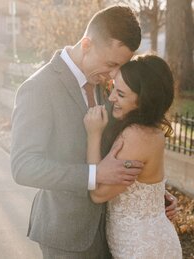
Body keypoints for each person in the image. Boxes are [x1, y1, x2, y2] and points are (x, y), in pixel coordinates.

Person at [11, 5, 177, 259]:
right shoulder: (38, 88)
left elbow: (123, 148)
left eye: (118, 67)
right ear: (87, 44)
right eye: (111, 64)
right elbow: (24, 166)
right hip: (67, 235)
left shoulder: (104, 83)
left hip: (114, 234)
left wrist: (153, 196)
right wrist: (94, 174)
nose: (113, 75)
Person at [84, 54, 182, 259]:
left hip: (143, 249)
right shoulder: (150, 130)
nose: (111, 99)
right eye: (112, 88)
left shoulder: (136, 135)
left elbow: (98, 194)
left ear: (143, 100)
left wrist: (93, 135)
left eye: (120, 94)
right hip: (147, 241)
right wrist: (162, 197)